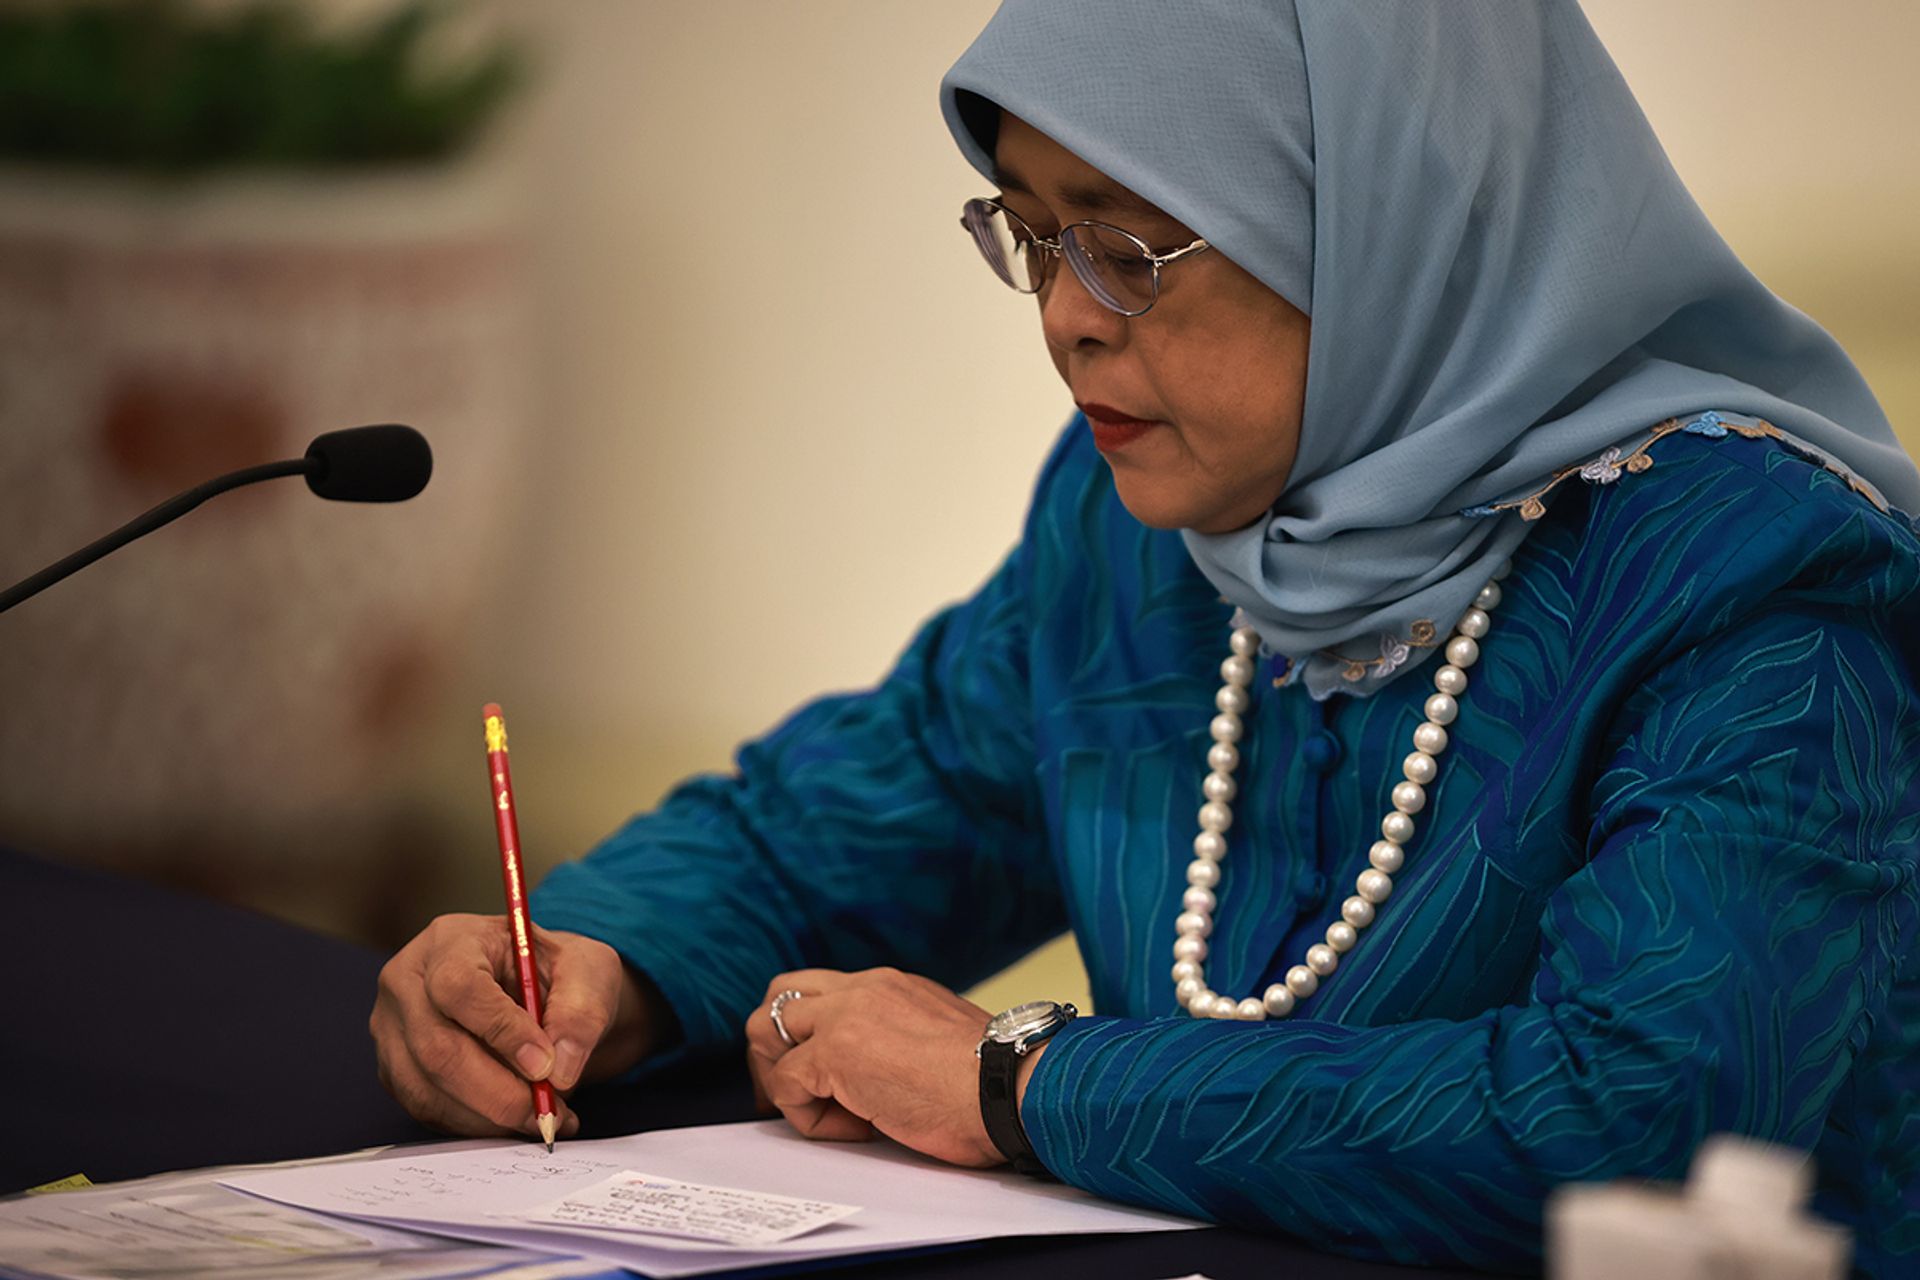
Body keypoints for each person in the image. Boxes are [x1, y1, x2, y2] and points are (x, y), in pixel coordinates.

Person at [370, 1, 1920, 1273]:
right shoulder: (1154, 527)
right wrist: (596, 963)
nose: (1064, 319)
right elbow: (860, 813)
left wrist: (1025, 1083)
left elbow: (1643, 1118)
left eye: (1128, 249)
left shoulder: (1751, 586)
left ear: (1385, 222)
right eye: (1035, 236)